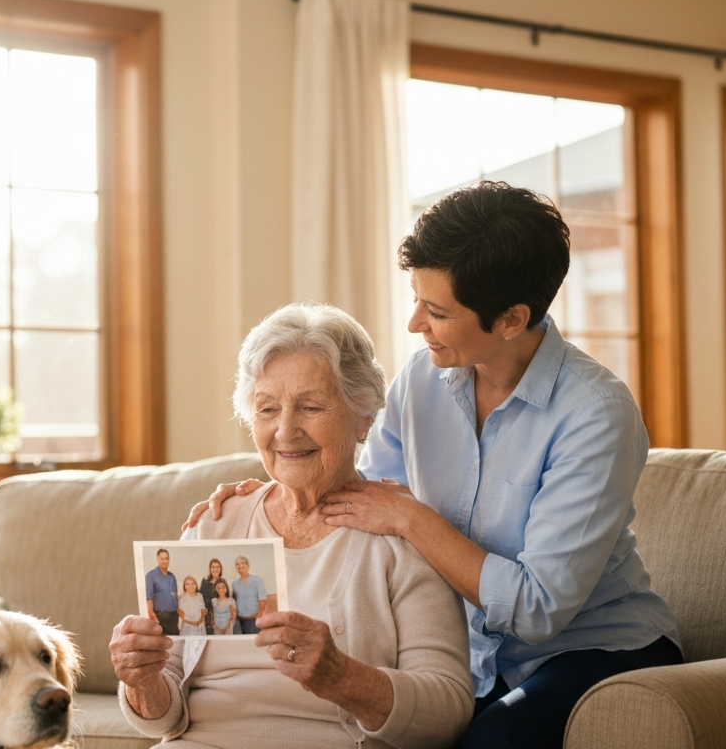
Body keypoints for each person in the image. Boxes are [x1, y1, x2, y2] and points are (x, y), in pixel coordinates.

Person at [185, 183, 684, 749]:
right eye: (417, 298)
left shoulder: (595, 414)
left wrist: (413, 520)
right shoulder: (421, 380)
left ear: (512, 318)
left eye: (437, 311)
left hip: (583, 650)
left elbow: (537, 609)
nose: (414, 324)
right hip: (466, 654)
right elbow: (361, 495)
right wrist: (278, 481)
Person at [110, 303, 474, 748]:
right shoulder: (217, 523)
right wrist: (142, 680)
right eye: (267, 409)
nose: (285, 431)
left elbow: (448, 712)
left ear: (363, 419)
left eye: (311, 406)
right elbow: (163, 716)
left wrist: (344, 678)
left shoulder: (403, 536)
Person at [230, 556, 269, 634]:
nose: (240, 566)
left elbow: (262, 599)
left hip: (254, 620)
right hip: (239, 620)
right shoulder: (234, 584)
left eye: (243, 563)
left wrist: (259, 615)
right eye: (237, 564)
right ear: (236, 567)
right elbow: (233, 601)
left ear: (248, 565)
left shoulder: (258, 581)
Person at [145, 548, 180, 636]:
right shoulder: (151, 576)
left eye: (166, 558)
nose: (164, 561)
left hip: (173, 617)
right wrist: (152, 615)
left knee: (175, 642)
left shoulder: (172, 577)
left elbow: (174, 595)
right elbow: (149, 597)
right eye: (162, 559)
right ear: (157, 560)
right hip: (160, 616)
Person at [200, 559, 227, 635]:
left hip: (221, 616)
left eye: (217, 567)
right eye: (213, 567)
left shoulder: (223, 582)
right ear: (210, 569)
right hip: (207, 618)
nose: (215, 569)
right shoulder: (205, 582)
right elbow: (200, 599)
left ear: (221, 569)